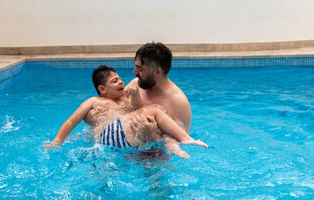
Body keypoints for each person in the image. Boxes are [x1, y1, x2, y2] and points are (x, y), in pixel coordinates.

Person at [45, 65, 207, 158]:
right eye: (115, 81)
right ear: (102, 89)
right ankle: (186, 139)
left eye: (120, 79)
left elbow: (137, 109)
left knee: (159, 127)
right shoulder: (94, 101)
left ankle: (173, 146)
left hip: (122, 142)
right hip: (108, 137)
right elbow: (71, 121)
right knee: (154, 110)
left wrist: (135, 93)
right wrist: (57, 142)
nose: (121, 82)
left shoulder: (125, 100)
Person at [125, 42, 192, 133]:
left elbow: (178, 142)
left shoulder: (178, 103)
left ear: (157, 72)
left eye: (140, 69)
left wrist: (152, 136)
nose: (134, 72)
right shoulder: (135, 85)